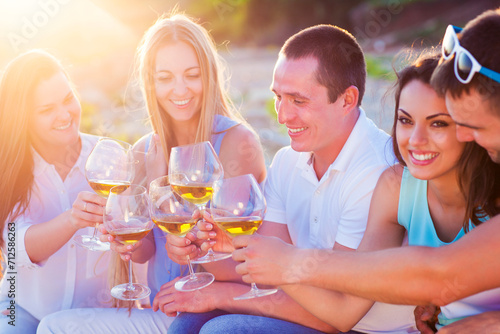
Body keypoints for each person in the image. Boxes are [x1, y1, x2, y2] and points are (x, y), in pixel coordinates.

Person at [232, 8, 500, 333]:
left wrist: (289, 263)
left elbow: (438, 275)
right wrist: (241, 249)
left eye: (446, 123)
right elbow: (364, 278)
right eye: (404, 120)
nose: (415, 141)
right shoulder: (397, 186)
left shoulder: (375, 167)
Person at [158, 24, 418, 334]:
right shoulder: (286, 161)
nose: (282, 116)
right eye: (278, 97)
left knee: (226, 330)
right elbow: (267, 276)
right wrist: (208, 252)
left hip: (362, 329)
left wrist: (220, 294)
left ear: (347, 100)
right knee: (185, 324)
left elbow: (340, 314)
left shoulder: (377, 172)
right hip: (307, 311)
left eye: (298, 101)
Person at [36, 12, 266, 333]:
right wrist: (124, 238)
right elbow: (145, 252)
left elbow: (245, 258)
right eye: (165, 77)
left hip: (208, 314)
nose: (180, 89)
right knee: (53, 325)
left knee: (54, 329)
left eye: (192, 74)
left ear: (209, 76)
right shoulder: (144, 149)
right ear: (150, 82)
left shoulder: (236, 142)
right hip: (162, 307)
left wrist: (164, 194)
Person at [0, 50, 111, 333]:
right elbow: (14, 248)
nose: (64, 115)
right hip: (20, 310)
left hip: (93, 318)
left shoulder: (107, 158)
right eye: (47, 110)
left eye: (67, 99)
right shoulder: (12, 169)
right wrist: (72, 220)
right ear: (23, 118)